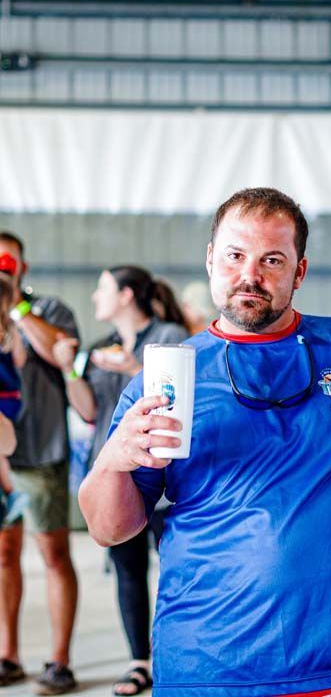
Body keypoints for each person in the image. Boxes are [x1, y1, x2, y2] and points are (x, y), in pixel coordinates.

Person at [79, 188, 331, 697]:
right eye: (235, 256)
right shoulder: (169, 376)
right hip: (207, 665)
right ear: (211, 260)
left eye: (272, 260)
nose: (250, 275)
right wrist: (112, 461)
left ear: (299, 272)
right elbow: (111, 529)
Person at [53, 266, 188, 696]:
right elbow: (89, 411)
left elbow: (179, 394)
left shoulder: (168, 334)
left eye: (103, 288)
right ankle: (139, 661)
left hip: (167, 477)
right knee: (128, 571)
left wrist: (132, 366)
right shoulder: (97, 348)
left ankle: (180, 654)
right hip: (118, 476)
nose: (96, 297)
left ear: (127, 295)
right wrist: (69, 371)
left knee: (177, 570)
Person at [0, 232, 80, 695]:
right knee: (5, 555)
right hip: (2, 458)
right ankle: (8, 654)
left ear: (23, 267)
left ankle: (60, 660)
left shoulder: (48, 310)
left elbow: (61, 353)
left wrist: (18, 309)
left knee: (53, 555)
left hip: (42, 451)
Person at [0, 260, 28, 527]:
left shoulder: (11, 329)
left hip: (7, 398)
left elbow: (20, 361)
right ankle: (10, 492)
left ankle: (10, 492)